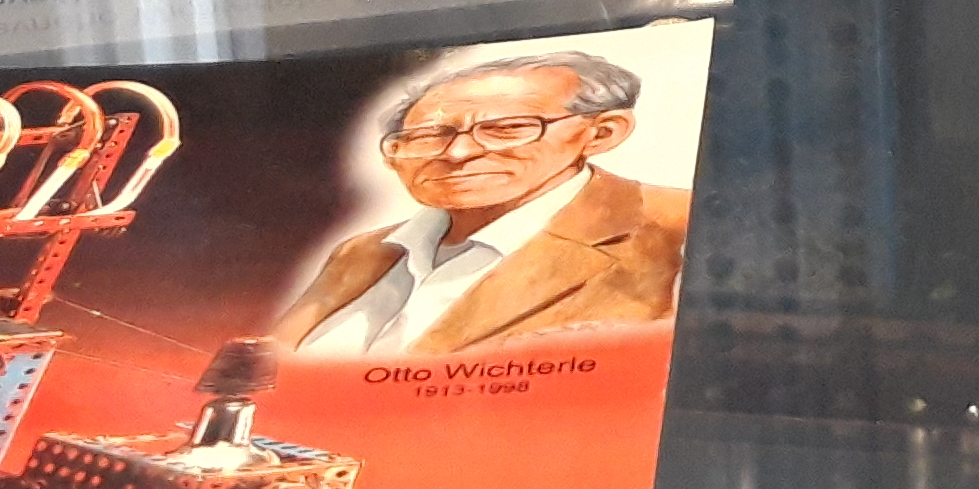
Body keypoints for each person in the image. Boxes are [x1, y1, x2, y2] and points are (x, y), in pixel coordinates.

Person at [272, 51, 690, 357]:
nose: (457, 154)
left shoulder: (677, 229)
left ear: (602, 133)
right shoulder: (364, 252)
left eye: (508, 129)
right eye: (427, 136)